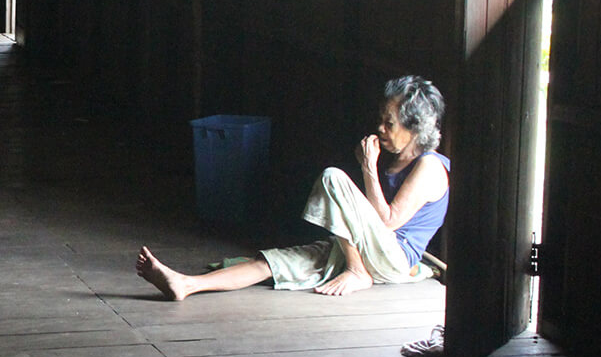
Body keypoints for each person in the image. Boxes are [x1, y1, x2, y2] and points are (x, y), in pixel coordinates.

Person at [137, 76, 450, 300]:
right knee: (272, 263)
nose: (380, 127)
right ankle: (187, 284)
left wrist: (368, 167)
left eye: (390, 123)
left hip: (393, 261)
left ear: (414, 128)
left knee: (333, 177)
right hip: (368, 251)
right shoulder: (395, 160)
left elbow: (388, 222)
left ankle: (356, 272)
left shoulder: (430, 166)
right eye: (380, 119)